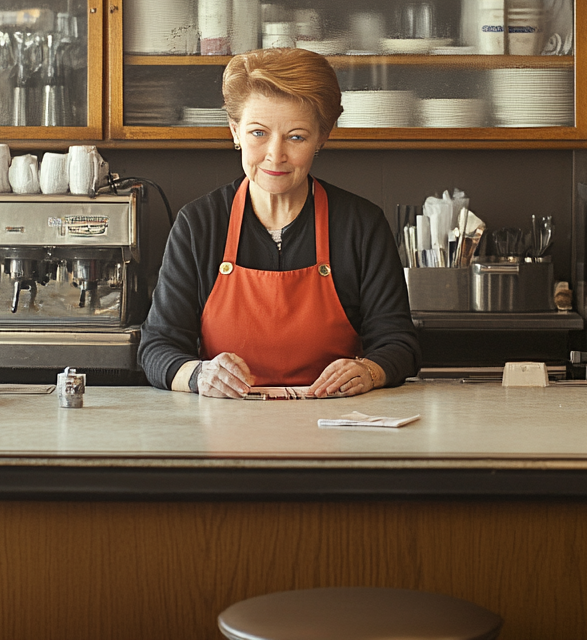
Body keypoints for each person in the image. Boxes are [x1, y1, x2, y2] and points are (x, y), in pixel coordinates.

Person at [138, 48, 420, 398]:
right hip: (224, 428)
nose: (276, 154)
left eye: (296, 136)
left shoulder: (361, 225)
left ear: (322, 137)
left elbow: (399, 344)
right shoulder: (199, 224)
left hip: (336, 428)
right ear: (234, 131)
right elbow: (157, 349)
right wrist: (199, 375)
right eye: (258, 133)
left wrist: (369, 371)